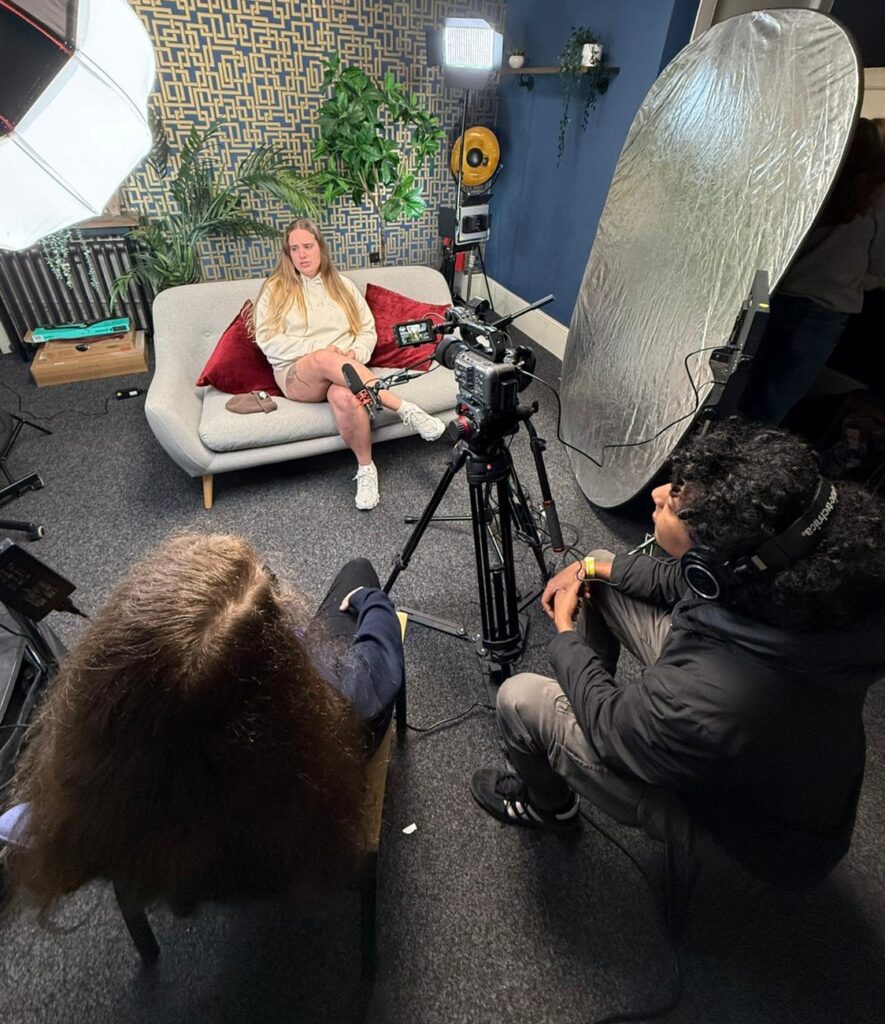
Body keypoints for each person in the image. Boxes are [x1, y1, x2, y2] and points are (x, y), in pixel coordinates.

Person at [470, 420, 885, 892]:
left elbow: (610, 726)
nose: (658, 494)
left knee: (520, 698)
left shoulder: (705, 702)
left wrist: (564, 634)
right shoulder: (796, 578)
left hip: (751, 845)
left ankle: (550, 806)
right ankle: (588, 686)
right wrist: (593, 565)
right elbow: (681, 583)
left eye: (674, 503)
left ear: (713, 566)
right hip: (760, 753)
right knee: (605, 572)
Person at [3, 533, 404, 914]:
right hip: (282, 834)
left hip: (200, 858)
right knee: (358, 569)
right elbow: (380, 666)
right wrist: (371, 602)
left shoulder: (91, 789)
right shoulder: (337, 699)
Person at [253, 218, 445, 510]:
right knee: (323, 358)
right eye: (295, 248)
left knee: (345, 396)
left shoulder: (341, 285)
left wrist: (354, 353)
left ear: (320, 248)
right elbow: (269, 341)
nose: (302, 254)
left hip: (343, 370)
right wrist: (324, 351)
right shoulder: (275, 289)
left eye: (308, 246)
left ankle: (366, 469)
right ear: (287, 253)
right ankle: (405, 409)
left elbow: (367, 330)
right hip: (296, 375)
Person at [743, 117, 885, 424]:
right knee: (771, 405)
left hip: (774, 294)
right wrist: (858, 278)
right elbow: (879, 264)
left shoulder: (809, 179)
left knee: (738, 388)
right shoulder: (876, 196)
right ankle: (737, 468)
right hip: (824, 309)